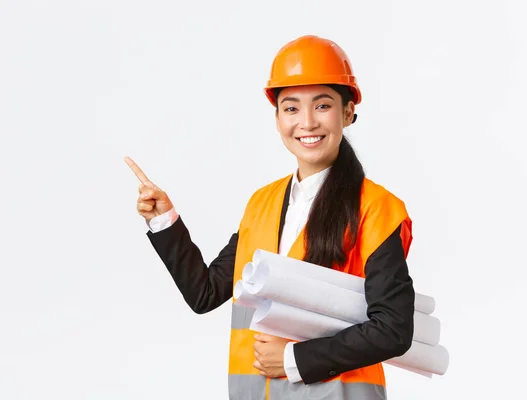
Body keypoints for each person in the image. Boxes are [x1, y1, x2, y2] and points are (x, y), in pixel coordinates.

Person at [125, 35, 416, 400]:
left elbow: (393, 329)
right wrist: (164, 220)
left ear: (347, 112)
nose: (307, 122)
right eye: (291, 108)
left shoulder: (375, 207)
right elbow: (206, 293)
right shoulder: (261, 203)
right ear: (277, 117)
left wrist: (294, 358)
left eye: (322, 105)